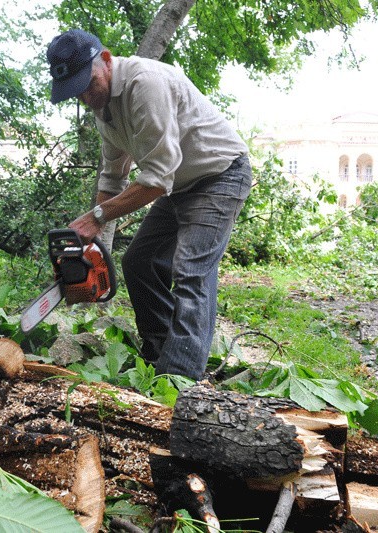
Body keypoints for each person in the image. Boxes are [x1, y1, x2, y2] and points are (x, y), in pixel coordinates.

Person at [46, 29, 252, 381]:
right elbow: (112, 179)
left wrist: (96, 218)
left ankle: (180, 380)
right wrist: (92, 243)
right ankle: (161, 352)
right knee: (139, 261)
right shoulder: (103, 109)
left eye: (88, 83)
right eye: (76, 91)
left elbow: (156, 179)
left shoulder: (145, 84)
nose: (85, 95)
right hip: (179, 185)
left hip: (219, 176)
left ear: (106, 60)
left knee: (191, 272)